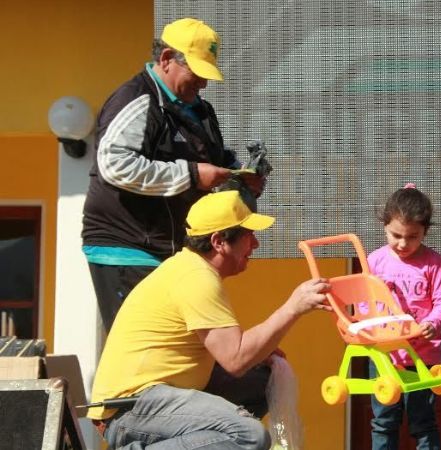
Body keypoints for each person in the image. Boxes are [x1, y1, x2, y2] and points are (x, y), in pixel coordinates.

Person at [87, 190, 330, 449]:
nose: (256, 245)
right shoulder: (196, 278)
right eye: (249, 236)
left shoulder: (191, 269)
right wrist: (293, 307)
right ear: (219, 242)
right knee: (247, 436)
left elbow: (231, 353)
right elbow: (235, 359)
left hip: (147, 403)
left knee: (261, 380)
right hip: (130, 410)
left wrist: (262, 351)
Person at [82, 17, 263, 332]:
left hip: (172, 249)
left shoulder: (200, 111)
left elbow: (213, 162)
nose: (202, 84)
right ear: (166, 59)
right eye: (196, 72)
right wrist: (193, 175)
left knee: (172, 342)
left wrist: (239, 177)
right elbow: (115, 164)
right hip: (127, 248)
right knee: (144, 341)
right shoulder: (136, 99)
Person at [368, 184, 441, 450]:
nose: (403, 243)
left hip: (422, 357)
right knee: (383, 422)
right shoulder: (374, 261)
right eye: (396, 235)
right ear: (384, 225)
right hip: (384, 357)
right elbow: (362, 304)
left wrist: (432, 322)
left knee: (423, 422)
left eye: (413, 237)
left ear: (425, 232)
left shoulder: (434, 263)